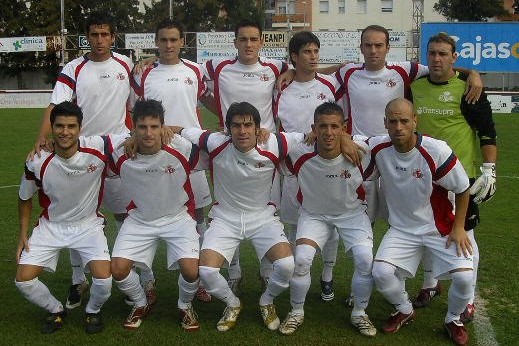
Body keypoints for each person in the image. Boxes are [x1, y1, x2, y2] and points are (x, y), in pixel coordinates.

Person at [30, 12, 159, 310]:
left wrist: (150, 61)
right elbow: (55, 105)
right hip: (80, 151)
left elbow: (140, 97)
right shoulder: (74, 68)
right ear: (86, 37)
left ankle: (145, 276)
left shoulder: (125, 65)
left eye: (105, 34)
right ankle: (78, 279)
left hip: (116, 149)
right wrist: (41, 136)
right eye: (94, 34)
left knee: (127, 215)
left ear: (113, 37)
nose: (99, 40)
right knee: (77, 217)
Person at [172, 102, 298, 332]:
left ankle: (266, 301)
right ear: (227, 129)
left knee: (287, 265)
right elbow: (179, 129)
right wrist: (163, 129)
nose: (242, 131)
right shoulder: (215, 142)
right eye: (236, 126)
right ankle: (232, 303)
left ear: (258, 128)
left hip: (262, 218)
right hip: (225, 219)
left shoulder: (275, 143)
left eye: (248, 125)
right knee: (207, 272)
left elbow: (313, 137)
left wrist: (347, 140)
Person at [367, 98, 474, 346]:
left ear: (415, 121)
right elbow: (349, 142)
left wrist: (459, 228)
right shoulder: (378, 148)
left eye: (404, 121)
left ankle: (453, 319)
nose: (398, 127)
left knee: (465, 278)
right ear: (385, 123)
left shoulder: (436, 150)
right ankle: (404, 309)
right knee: (380, 273)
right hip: (403, 229)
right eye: (392, 121)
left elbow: (462, 188)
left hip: (439, 228)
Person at [410, 32, 497, 324]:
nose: (437, 59)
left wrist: (489, 169)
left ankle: (468, 301)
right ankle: (430, 284)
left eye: (443, 54)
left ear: (454, 58)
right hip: (423, 176)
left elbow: (488, 131)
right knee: (425, 233)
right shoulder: (415, 87)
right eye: (432, 53)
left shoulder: (468, 89)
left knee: (464, 237)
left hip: (460, 179)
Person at [131, 18, 212, 303]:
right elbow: (133, 111)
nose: (168, 45)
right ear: (156, 42)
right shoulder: (142, 73)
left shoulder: (195, 70)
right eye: (163, 40)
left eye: (173, 40)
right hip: (152, 155)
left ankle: (198, 279)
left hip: (190, 153)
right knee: (147, 211)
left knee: (198, 213)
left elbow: (211, 99)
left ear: (182, 42)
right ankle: (147, 281)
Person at [278, 102, 376, 337]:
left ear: (344, 127)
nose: (329, 132)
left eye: (335, 126)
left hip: (352, 214)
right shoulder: (299, 152)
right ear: (314, 128)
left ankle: (360, 313)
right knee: (301, 260)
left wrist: (348, 140)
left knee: (365, 259)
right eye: (323, 126)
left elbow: (390, 140)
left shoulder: (362, 151)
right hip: (314, 215)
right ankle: (297, 311)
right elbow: (269, 142)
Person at [15, 102, 113, 334]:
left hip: (88, 225)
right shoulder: (36, 161)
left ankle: (92, 311)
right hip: (51, 226)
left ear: (80, 128)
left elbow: (136, 136)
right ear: (52, 127)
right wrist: (22, 234)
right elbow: (24, 198)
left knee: (104, 280)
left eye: (71, 126)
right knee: (23, 280)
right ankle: (56, 309)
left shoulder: (98, 149)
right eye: (59, 126)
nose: (65, 132)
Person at [110, 99, 202, 331]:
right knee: (118, 270)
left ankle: (184, 305)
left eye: (154, 126)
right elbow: (80, 145)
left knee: (192, 271)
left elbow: (220, 143)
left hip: (177, 217)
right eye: (142, 127)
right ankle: (140, 302)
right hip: (141, 218)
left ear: (163, 127)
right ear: (133, 128)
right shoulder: (120, 152)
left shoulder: (182, 148)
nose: (148, 133)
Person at [274, 31, 342, 302]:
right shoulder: (279, 87)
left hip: (327, 166)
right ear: (293, 57)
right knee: (293, 223)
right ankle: (295, 271)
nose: (313, 57)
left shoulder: (330, 83)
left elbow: (348, 68)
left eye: (316, 51)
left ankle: (327, 275)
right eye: (306, 52)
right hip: (293, 168)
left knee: (331, 223)